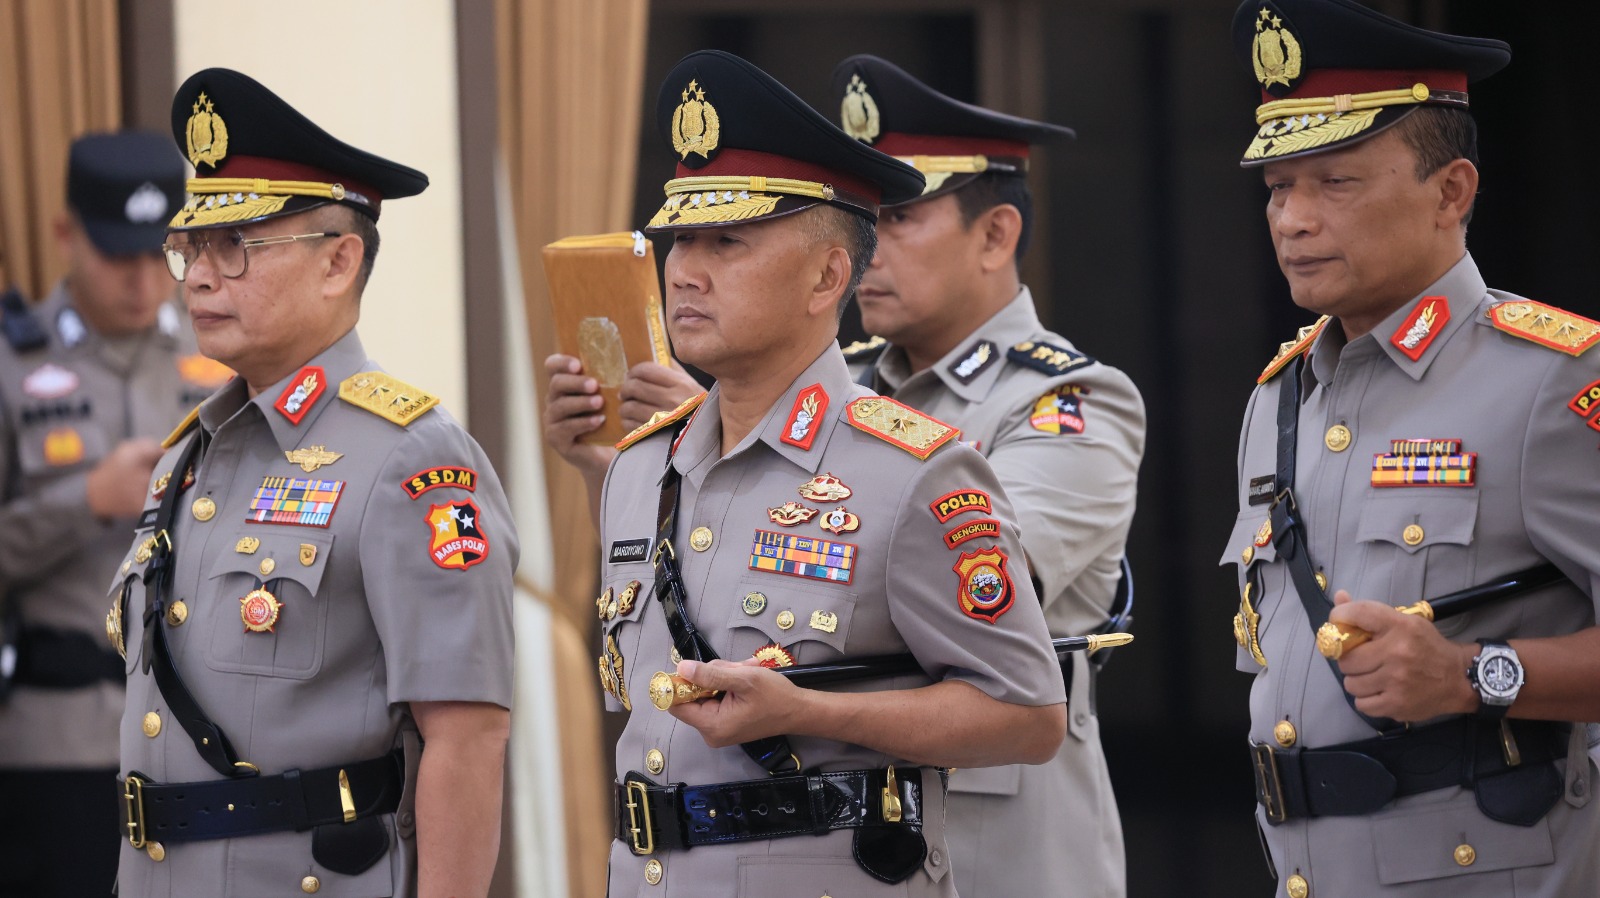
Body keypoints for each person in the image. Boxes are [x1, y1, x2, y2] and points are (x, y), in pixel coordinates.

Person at [592, 50, 1066, 897]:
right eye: (678, 239)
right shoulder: (638, 469)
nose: (683, 271)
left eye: (727, 241)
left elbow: (1029, 717)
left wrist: (810, 713)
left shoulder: (913, 471)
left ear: (827, 275)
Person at [109, 69, 517, 897]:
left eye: (237, 247)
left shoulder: (413, 457)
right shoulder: (190, 452)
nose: (197, 277)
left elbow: (467, 738)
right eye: (190, 248)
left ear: (339, 262)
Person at [1222, 2, 1600, 895]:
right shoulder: (1280, 397)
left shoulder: (1556, 379)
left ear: (1451, 192)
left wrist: (1477, 674)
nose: (1293, 220)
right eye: (1279, 188)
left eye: (1335, 183)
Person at [830, 54, 1145, 898]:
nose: (865, 247)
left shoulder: (1067, 400)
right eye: (856, 218)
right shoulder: (839, 387)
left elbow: (985, 587)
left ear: (996, 234)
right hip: (841, 823)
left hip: (998, 834)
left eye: (896, 218)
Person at [0, 131, 206, 898]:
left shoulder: (218, 355)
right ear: (64, 235)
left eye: (160, 255)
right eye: (118, 255)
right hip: (60, 745)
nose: (142, 279)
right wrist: (82, 503)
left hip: (197, 740)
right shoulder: (11, 365)